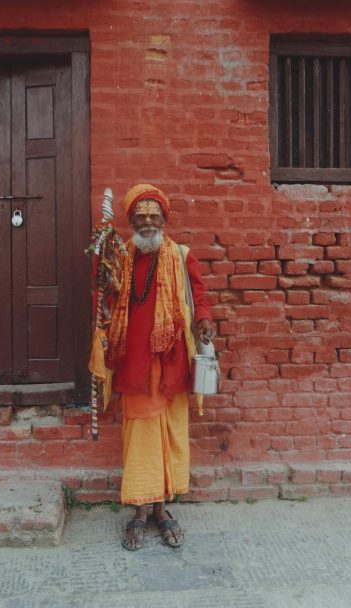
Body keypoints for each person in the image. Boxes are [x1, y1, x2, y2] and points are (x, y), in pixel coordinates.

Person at [105, 183, 215, 550]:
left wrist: (204, 321)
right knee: (140, 434)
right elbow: (105, 301)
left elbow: (199, 297)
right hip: (135, 365)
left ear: (164, 220)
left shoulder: (182, 256)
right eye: (141, 215)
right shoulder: (120, 258)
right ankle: (140, 509)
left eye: (155, 215)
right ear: (132, 220)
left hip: (172, 363)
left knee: (169, 432)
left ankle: (162, 508)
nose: (148, 221)